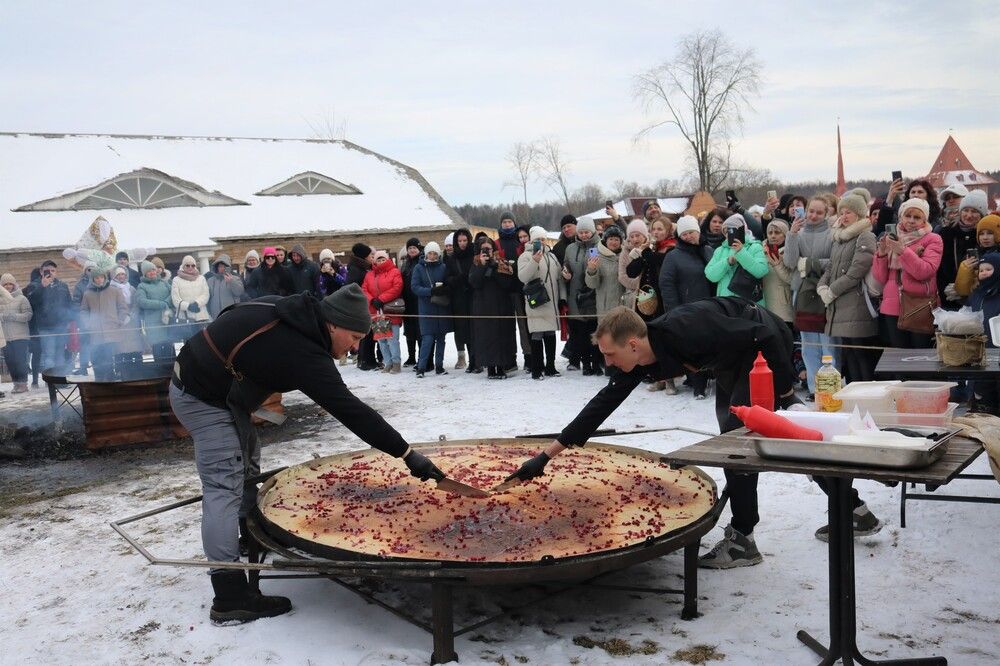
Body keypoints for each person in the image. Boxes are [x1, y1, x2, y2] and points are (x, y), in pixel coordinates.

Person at [168, 283, 448, 623]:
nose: (355, 347)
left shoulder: (297, 314)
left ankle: (243, 538)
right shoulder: (303, 350)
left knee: (246, 461)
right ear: (333, 324)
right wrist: (406, 454)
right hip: (200, 396)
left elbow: (234, 317)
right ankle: (230, 596)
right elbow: (350, 410)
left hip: (220, 390)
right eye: (355, 338)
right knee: (222, 484)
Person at [503, 303, 804, 569]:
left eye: (610, 354)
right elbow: (599, 407)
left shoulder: (686, 330)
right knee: (732, 438)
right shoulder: (638, 359)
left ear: (632, 344)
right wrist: (543, 458)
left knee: (740, 441)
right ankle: (754, 531)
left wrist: (787, 391)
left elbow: (760, 333)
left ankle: (744, 539)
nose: (607, 363)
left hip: (763, 342)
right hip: (731, 359)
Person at [817, 194, 879, 382]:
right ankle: (853, 388)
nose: (843, 216)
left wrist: (832, 290)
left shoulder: (865, 236)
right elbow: (831, 266)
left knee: (860, 352)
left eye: (848, 213)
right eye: (841, 212)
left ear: (859, 214)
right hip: (840, 304)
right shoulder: (840, 238)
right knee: (848, 353)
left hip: (856, 302)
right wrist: (822, 285)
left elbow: (857, 270)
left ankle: (866, 388)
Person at [871, 198, 943, 348]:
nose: (911, 220)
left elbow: (925, 271)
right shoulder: (892, 237)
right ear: (900, 217)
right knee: (898, 358)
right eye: (907, 216)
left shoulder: (933, 239)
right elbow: (880, 277)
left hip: (919, 304)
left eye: (917, 217)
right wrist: (882, 254)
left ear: (925, 219)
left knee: (920, 357)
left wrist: (902, 251)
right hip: (892, 305)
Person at [785, 197, 837, 399]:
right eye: (811, 211)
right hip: (803, 291)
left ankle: (831, 386)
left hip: (825, 290)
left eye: (819, 212)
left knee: (828, 341)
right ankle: (815, 389)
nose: (813, 216)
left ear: (826, 214)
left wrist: (808, 263)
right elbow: (790, 262)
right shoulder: (799, 233)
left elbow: (834, 262)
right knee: (808, 344)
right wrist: (791, 234)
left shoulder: (832, 234)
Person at [659, 215, 715, 399]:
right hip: (686, 308)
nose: (688, 236)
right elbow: (666, 284)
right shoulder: (673, 256)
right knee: (692, 347)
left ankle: (704, 378)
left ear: (698, 232)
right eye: (684, 234)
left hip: (709, 306)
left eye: (691, 232)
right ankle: (697, 383)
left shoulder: (707, 251)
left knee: (708, 345)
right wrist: (674, 310)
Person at [518, 226, 564, 380]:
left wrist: (565, 274)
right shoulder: (525, 256)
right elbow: (523, 277)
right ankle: (536, 369)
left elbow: (558, 277)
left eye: (543, 239)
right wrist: (534, 261)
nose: (541, 242)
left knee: (550, 334)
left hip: (551, 302)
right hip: (536, 303)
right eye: (537, 240)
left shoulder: (551, 256)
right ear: (532, 241)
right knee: (537, 334)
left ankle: (550, 367)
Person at [469, 238, 518, 379]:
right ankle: (490, 367)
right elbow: (474, 283)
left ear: (493, 249)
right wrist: (484, 266)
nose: (486, 251)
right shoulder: (476, 263)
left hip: (501, 305)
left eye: (489, 248)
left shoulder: (501, 261)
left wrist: (494, 267)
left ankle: (502, 367)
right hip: (483, 306)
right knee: (487, 337)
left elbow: (507, 283)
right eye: (483, 248)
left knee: (502, 336)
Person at [562, 218, 600, 374]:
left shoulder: (599, 246)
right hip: (575, 296)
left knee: (594, 331)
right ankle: (586, 365)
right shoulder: (570, 248)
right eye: (581, 232)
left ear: (593, 232)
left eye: (587, 232)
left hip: (593, 295)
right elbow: (566, 264)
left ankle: (597, 364)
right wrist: (565, 273)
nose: (584, 235)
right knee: (580, 333)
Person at [410, 241, 453, 378]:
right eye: (430, 253)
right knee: (427, 339)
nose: (433, 256)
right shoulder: (419, 268)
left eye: (435, 253)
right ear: (426, 253)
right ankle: (421, 367)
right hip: (426, 308)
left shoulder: (444, 267)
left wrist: (444, 289)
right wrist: (431, 291)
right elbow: (415, 287)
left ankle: (439, 366)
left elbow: (448, 283)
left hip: (441, 307)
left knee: (441, 339)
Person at [938, 189, 987, 307]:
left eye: (975, 211)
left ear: (982, 215)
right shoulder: (946, 233)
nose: (969, 215)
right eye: (965, 210)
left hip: (979, 298)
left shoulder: (986, 235)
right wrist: (954, 288)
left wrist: (967, 289)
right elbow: (942, 269)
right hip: (950, 297)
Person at [704, 215, 768, 304]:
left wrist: (741, 252)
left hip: (749, 303)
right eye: (726, 232)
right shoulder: (720, 250)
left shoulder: (755, 246)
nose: (729, 234)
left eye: (733, 230)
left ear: (743, 230)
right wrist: (728, 262)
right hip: (726, 302)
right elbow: (710, 275)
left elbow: (761, 271)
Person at [80, 269, 128, 381]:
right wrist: (87, 323)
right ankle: (99, 381)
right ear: (93, 279)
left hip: (112, 331)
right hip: (95, 332)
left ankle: (111, 381)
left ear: (105, 278)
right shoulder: (87, 294)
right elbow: (83, 311)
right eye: (96, 278)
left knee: (110, 358)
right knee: (96, 358)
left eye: (101, 277)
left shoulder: (114, 291)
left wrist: (120, 320)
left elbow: (122, 307)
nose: (99, 280)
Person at [967, 255, 1000, 414]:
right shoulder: (976, 293)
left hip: (997, 348)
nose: (984, 273)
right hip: (979, 349)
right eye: (981, 270)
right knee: (982, 384)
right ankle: (983, 408)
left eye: (989, 269)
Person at [362, 250, 404, 373]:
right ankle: (388, 362)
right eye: (378, 260)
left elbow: (397, 287)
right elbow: (364, 289)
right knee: (382, 339)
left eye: (383, 259)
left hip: (390, 309)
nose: (380, 262)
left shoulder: (394, 271)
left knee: (392, 339)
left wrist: (381, 299)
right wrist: (372, 300)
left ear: (387, 259)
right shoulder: (370, 274)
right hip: (377, 311)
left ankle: (396, 362)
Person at [27, 260, 72, 374]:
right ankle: (52, 381)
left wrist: (69, 321)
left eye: (53, 270)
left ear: (56, 272)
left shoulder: (62, 285)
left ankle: (61, 380)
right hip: (45, 327)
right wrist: (43, 286)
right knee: (49, 354)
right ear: (42, 271)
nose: (50, 273)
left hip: (61, 326)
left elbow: (69, 304)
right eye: (47, 270)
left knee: (60, 354)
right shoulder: (34, 285)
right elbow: (31, 302)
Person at [136, 261, 176, 367]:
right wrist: (160, 304)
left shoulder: (164, 283)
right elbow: (142, 301)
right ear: (144, 274)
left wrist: (166, 303)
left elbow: (173, 294)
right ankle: (159, 371)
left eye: (153, 270)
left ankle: (171, 371)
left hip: (167, 320)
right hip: (153, 323)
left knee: (169, 347)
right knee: (158, 348)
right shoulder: (142, 286)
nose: (152, 272)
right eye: (148, 271)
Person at [585, 225, 626, 327]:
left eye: (616, 239)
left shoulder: (625, 255)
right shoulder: (595, 255)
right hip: (605, 307)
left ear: (621, 241)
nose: (613, 242)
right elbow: (592, 285)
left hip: (624, 306)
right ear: (605, 240)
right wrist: (591, 269)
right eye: (611, 239)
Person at [446, 229, 475, 371]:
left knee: (474, 328)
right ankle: (463, 358)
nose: (462, 243)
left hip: (474, 296)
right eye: (460, 241)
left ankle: (475, 360)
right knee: (461, 329)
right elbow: (448, 278)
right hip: (458, 297)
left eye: (465, 240)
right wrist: (458, 279)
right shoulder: (452, 258)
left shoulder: (474, 254)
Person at [346, 243, 378, 370]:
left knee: (368, 334)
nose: (372, 257)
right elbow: (352, 288)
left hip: (363, 305)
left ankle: (367, 360)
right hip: (360, 306)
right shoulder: (357, 269)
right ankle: (365, 361)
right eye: (370, 255)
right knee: (366, 335)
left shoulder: (362, 267)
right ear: (364, 256)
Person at [110, 266, 145, 377]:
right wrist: (121, 317)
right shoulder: (111, 289)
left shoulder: (131, 288)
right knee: (121, 347)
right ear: (114, 276)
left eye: (123, 274)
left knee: (134, 346)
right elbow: (111, 305)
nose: (121, 276)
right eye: (119, 275)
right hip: (119, 322)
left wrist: (131, 315)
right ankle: (122, 370)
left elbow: (136, 304)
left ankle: (136, 370)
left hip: (132, 321)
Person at [0, 273, 32, 393]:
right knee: (10, 362)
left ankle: (23, 384)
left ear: (14, 284)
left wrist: (13, 316)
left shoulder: (21, 298)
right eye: (5, 284)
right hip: (5, 337)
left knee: (20, 361)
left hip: (20, 336)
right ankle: (16, 383)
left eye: (10, 284)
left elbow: (28, 315)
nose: (8, 286)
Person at [955, 214, 1000, 298]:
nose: (985, 237)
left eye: (990, 233)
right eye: (981, 234)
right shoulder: (974, 256)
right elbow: (962, 291)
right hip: (978, 305)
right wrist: (965, 270)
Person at [399, 238, 424, 368]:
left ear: (419, 249)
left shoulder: (422, 261)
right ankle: (411, 356)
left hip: (418, 301)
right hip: (407, 301)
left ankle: (421, 356)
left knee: (419, 330)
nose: (412, 250)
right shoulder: (406, 263)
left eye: (414, 248)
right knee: (409, 330)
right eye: (410, 248)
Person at [172, 256, 211, 337]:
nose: (190, 267)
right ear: (183, 266)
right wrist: (188, 306)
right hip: (185, 317)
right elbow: (175, 299)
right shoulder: (176, 280)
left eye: (193, 265)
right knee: (188, 343)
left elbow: (206, 294)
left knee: (203, 342)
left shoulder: (201, 278)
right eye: (187, 265)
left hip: (201, 316)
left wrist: (197, 303)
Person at [206, 255, 246, 319]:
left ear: (229, 268)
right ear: (217, 267)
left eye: (225, 266)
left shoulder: (235, 278)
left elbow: (239, 292)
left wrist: (231, 282)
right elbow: (207, 298)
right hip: (216, 316)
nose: (222, 268)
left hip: (231, 314)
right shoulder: (210, 281)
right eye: (220, 266)